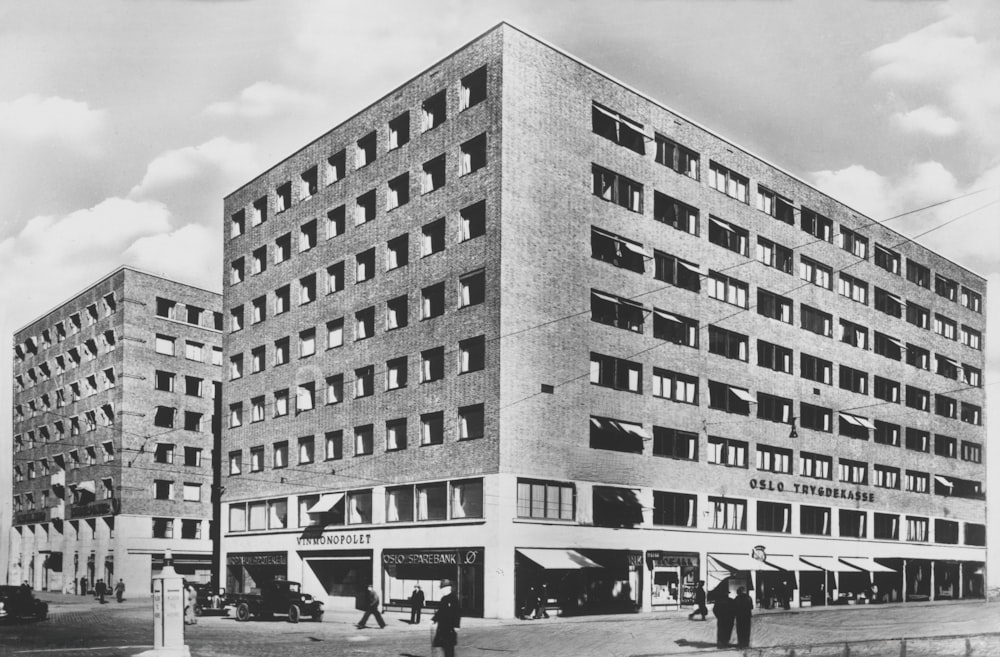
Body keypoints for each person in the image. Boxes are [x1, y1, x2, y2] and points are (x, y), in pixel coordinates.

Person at [432, 579, 461, 657]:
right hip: (442, 627)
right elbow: (440, 611)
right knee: (443, 646)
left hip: (450, 628)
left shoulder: (454, 598)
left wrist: (456, 625)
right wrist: (434, 619)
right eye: (441, 589)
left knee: (449, 647)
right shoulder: (443, 599)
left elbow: (457, 613)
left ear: (448, 588)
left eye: (443, 589)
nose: (442, 591)